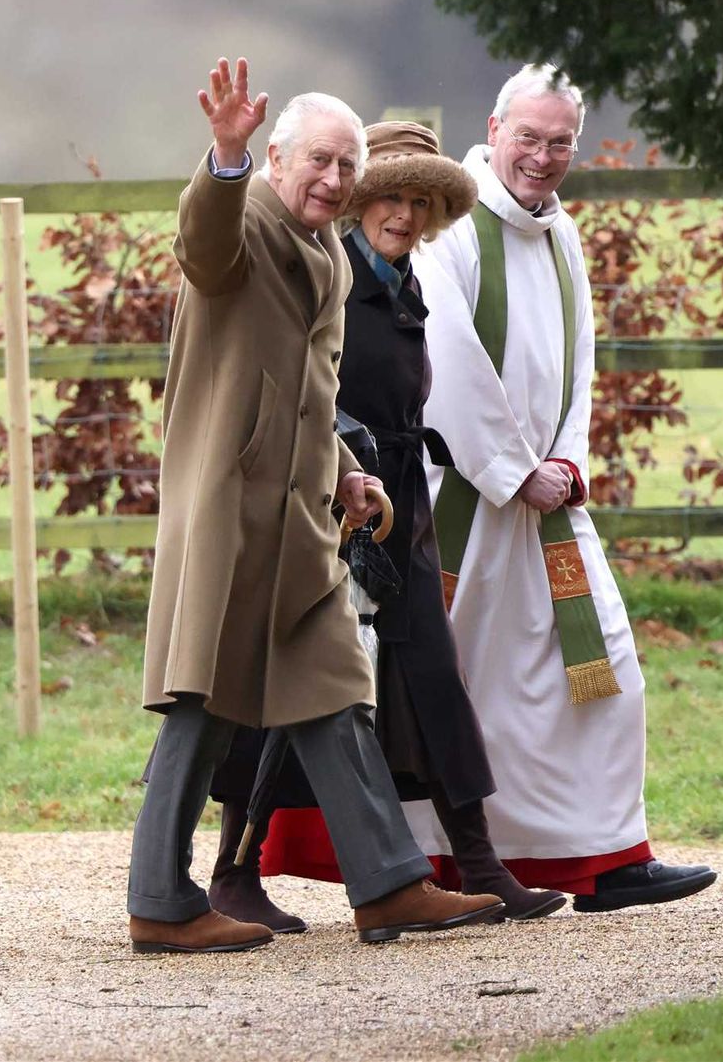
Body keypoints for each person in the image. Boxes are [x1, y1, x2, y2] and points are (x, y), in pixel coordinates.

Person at [126, 58, 505, 953]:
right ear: (278, 161)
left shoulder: (328, 250)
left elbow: (306, 390)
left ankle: (386, 886)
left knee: (335, 686)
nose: (334, 180)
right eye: (318, 163)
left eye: (346, 166)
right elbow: (201, 247)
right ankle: (158, 900)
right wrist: (223, 157)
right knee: (202, 699)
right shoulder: (247, 221)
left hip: (296, 516)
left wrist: (345, 469)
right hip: (227, 511)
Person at [209, 123, 568, 926]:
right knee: (287, 687)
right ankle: (234, 874)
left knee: (434, 680)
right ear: (361, 201)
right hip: (327, 510)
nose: (404, 214)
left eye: (420, 201)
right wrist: (342, 466)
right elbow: (300, 379)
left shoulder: (408, 281)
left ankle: (477, 862)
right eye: (390, 197)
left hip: (400, 508)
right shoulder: (328, 272)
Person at [400, 65, 717, 912]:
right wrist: (512, 471)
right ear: (495, 126)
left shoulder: (560, 232)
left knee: (604, 669)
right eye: (529, 137)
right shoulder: (453, 229)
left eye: (560, 141)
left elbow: (580, 359)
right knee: (460, 683)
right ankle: (435, 862)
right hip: (469, 501)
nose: (542, 157)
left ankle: (605, 857)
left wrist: (568, 463)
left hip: (548, 501)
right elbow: (450, 363)